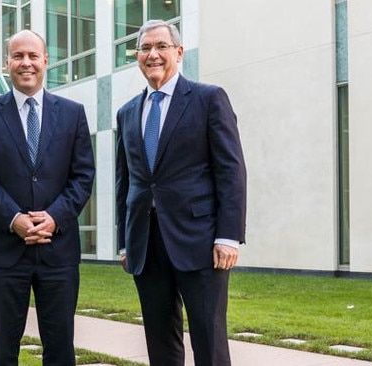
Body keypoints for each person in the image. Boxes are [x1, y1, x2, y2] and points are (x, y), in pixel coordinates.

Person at [115, 20, 246, 366]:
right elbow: (125, 183)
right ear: (138, 56)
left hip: (201, 243)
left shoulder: (208, 99)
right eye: (145, 48)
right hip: (146, 244)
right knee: (160, 341)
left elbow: (230, 171)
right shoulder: (127, 113)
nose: (152, 54)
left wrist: (229, 236)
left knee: (209, 339)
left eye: (161, 47)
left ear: (179, 52)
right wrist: (125, 241)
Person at [0, 29, 95, 365]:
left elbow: (83, 175)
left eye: (33, 56)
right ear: (7, 62)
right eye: (18, 56)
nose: (26, 63)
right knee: (3, 350)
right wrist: (15, 219)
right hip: (4, 253)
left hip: (58, 250)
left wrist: (55, 217)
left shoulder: (73, 113)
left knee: (61, 349)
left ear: (46, 61)